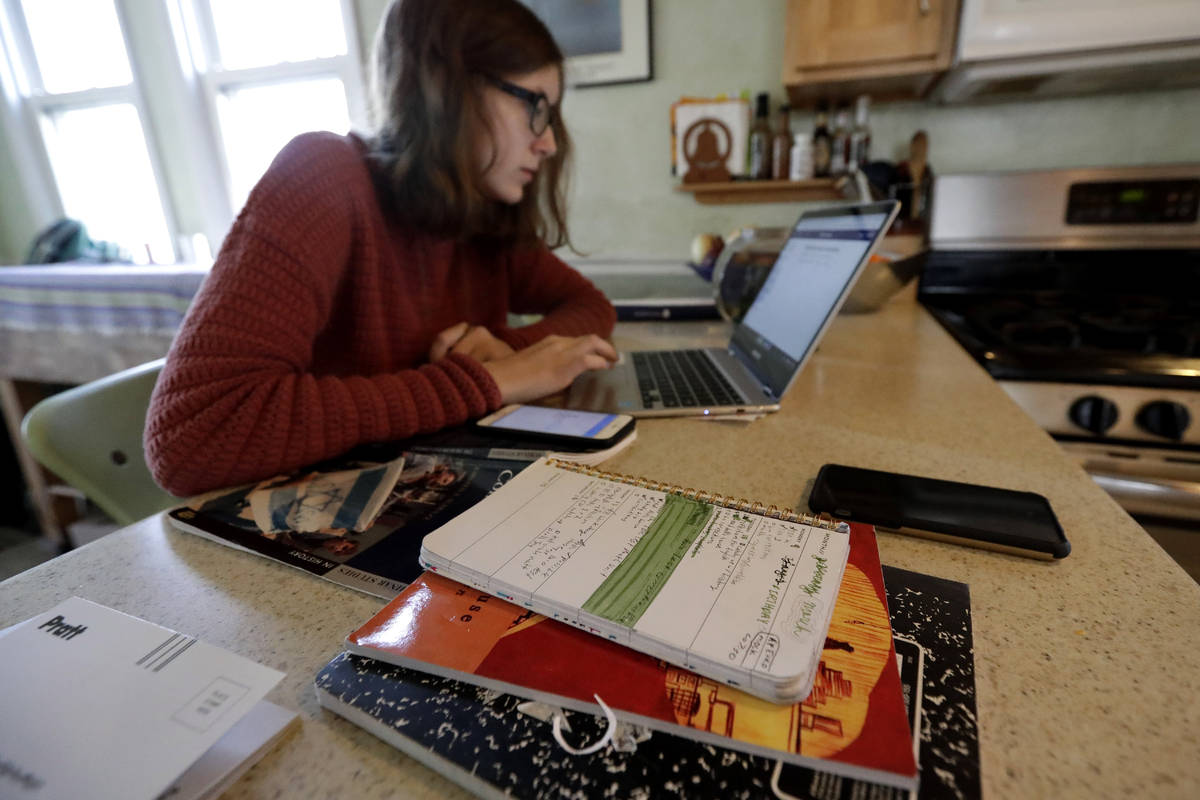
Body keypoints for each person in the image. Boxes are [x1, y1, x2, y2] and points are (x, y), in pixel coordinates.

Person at [145, 0, 617, 497]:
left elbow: (591, 307)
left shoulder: (479, 212)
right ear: (449, 87)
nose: (549, 144)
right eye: (533, 105)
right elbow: (192, 435)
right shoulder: (322, 178)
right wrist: (487, 382)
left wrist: (511, 355)